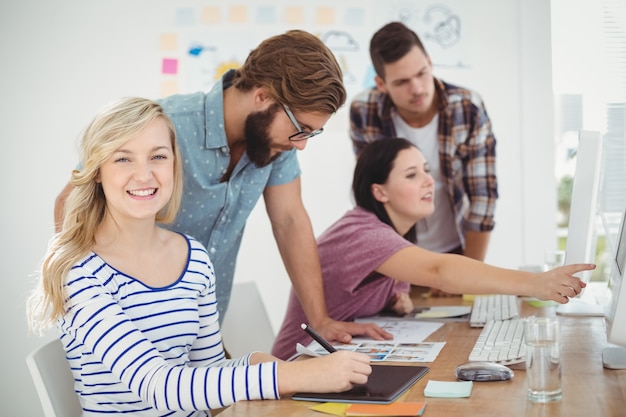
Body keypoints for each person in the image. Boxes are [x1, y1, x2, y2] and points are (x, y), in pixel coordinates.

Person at [28, 97, 372, 416]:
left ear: (175, 165)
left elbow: (205, 373)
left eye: (158, 156)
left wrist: (265, 366)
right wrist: (296, 377)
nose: (145, 174)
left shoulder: (193, 257)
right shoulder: (79, 272)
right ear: (97, 172)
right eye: (122, 158)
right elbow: (159, 386)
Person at [53, 30, 388, 345]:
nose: (302, 145)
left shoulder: (275, 143)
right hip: (131, 328)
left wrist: (321, 319)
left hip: (201, 331)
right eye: (301, 129)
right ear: (262, 96)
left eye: (311, 134)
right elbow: (70, 202)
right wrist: (93, 302)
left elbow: (290, 222)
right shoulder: (165, 126)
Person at [271, 138, 593, 360]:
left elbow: (393, 283)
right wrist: (535, 283)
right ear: (380, 192)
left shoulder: (388, 232)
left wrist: (398, 297)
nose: (429, 181)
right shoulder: (362, 232)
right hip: (298, 364)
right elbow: (439, 271)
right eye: (412, 175)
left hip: (331, 354)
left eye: (426, 169)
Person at [350, 21, 498, 270]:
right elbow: (372, 197)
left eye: (421, 73)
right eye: (402, 82)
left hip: (456, 251)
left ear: (430, 62)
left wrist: (465, 271)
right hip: (395, 254)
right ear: (381, 84)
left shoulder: (467, 108)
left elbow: (483, 196)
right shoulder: (364, 111)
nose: (417, 89)